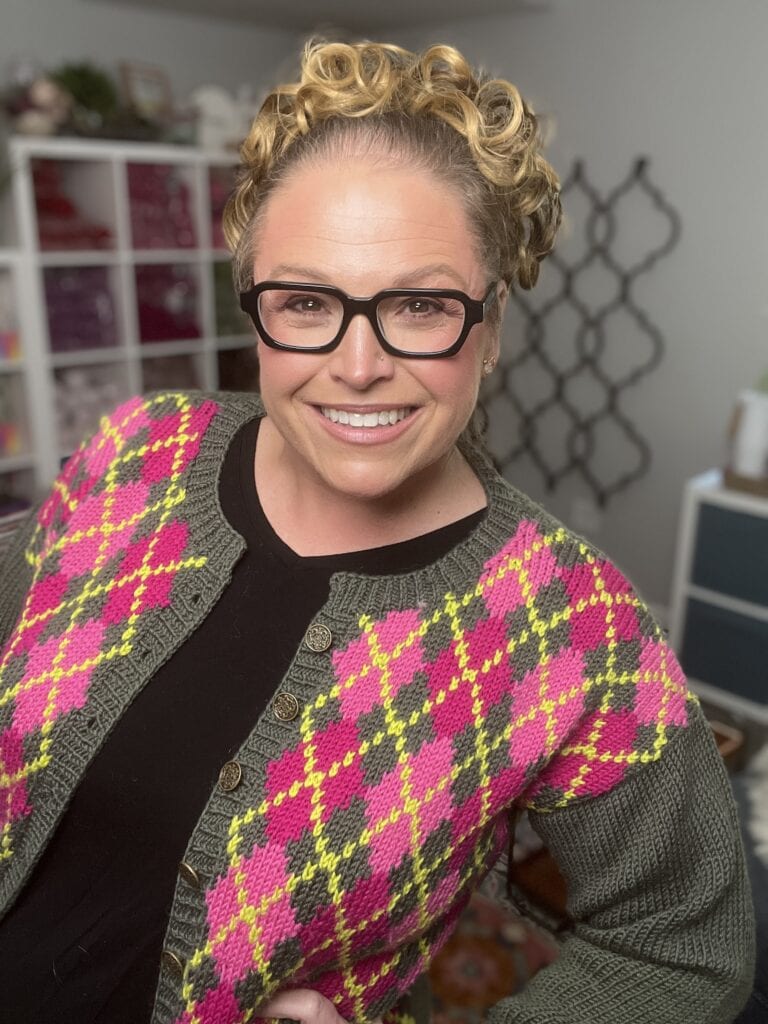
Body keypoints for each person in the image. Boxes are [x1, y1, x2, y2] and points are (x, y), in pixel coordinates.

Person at [0, 39, 754, 1024]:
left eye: (419, 305)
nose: (357, 365)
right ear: (257, 311)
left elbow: (686, 951)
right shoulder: (140, 450)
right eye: (307, 302)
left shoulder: (580, 634)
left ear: (487, 331)